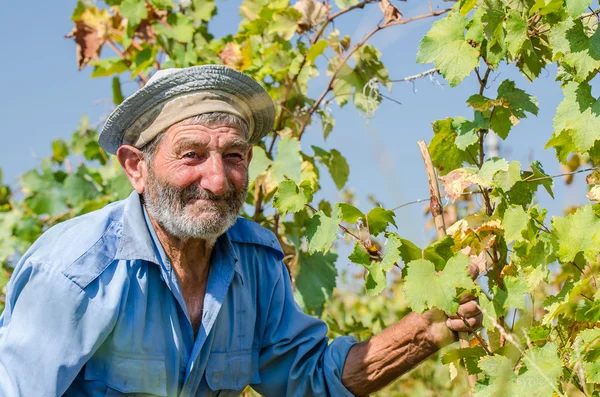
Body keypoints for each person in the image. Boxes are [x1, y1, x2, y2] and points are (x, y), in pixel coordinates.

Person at [0, 65, 482, 397]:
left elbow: (309, 381)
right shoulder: (75, 273)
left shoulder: (256, 261)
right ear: (136, 168)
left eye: (233, 156)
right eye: (191, 155)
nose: (217, 179)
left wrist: (430, 329)